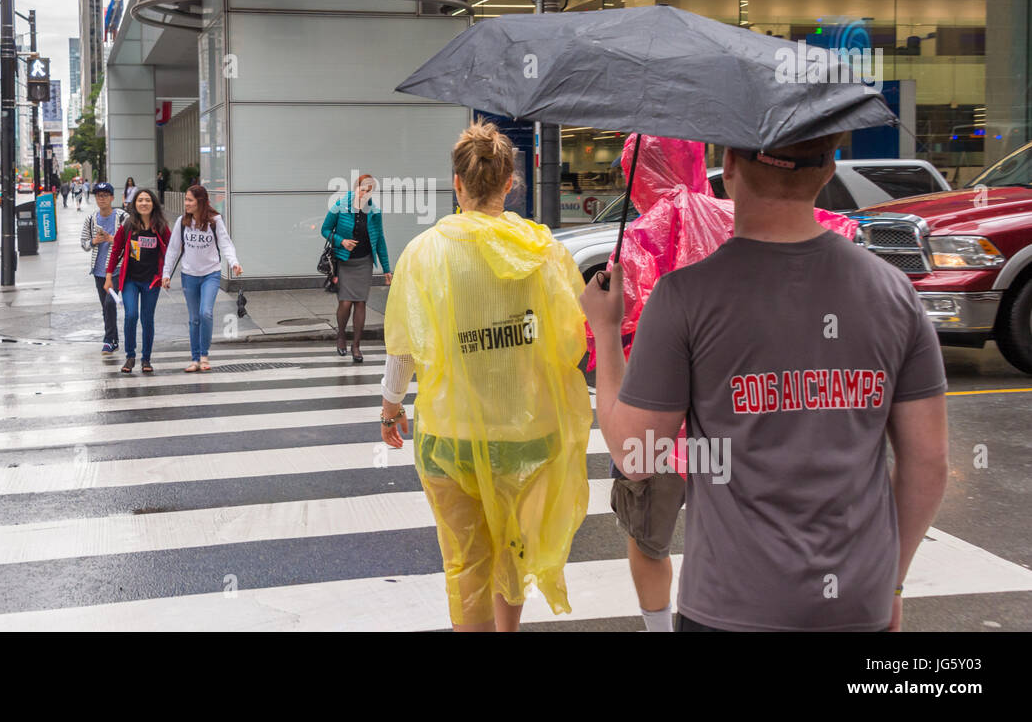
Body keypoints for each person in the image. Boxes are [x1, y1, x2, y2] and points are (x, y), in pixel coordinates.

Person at [583, 131, 950, 632]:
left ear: (729, 165)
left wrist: (606, 332)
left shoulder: (684, 296)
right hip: (856, 604)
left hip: (728, 608)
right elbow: (928, 462)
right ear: (829, 169)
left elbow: (634, 453)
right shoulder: (894, 293)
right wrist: (892, 584)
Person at [380, 120, 593, 632]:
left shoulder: (424, 253)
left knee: (465, 564)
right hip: (525, 436)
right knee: (513, 554)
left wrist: (390, 407)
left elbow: (405, 348)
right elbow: (570, 341)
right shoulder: (543, 252)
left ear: (457, 184)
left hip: (449, 435)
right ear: (508, 184)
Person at [162, 184, 242, 373]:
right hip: (189, 275)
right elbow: (173, 249)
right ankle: (195, 358)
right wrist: (166, 274)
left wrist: (234, 263)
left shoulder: (215, 221)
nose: (186, 203)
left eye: (190, 200)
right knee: (194, 318)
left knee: (206, 313)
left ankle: (204, 355)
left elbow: (226, 244)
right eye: (186, 199)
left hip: (210, 275)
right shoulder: (182, 222)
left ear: (200, 202)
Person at [321, 173, 391, 362]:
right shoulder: (340, 206)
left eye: (369, 192)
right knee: (345, 302)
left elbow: (380, 240)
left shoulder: (374, 212)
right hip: (344, 262)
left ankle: (357, 346)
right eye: (362, 190)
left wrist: (386, 268)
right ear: (355, 188)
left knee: (360, 302)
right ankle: (342, 336)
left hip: (364, 261)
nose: (364, 195)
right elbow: (325, 230)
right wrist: (341, 241)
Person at [105, 188, 170, 374]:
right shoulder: (127, 225)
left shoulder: (161, 227)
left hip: (151, 281)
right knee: (131, 315)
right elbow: (116, 250)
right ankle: (130, 356)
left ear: (153, 204)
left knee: (147, 319)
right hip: (130, 280)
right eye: (140, 200)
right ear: (135, 204)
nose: (144, 203)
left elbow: (171, 250)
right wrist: (109, 276)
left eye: (147, 200)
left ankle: (146, 359)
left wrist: (166, 274)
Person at [81, 181, 129, 354]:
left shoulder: (123, 217)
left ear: (112, 198)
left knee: (110, 302)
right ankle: (113, 339)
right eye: (99, 196)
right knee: (106, 306)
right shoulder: (91, 219)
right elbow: (84, 244)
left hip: (117, 268)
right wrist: (94, 241)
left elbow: (131, 240)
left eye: (105, 196)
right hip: (99, 270)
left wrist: (112, 239)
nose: (102, 199)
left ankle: (108, 339)